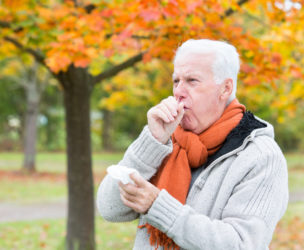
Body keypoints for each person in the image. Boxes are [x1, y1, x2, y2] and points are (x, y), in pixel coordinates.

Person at [97, 39, 289, 250]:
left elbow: (242, 244)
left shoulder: (261, 156)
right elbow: (110, 208)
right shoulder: (166, 140)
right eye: (176, 81)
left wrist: (158, 207)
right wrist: (151, 141)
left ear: (225, 89)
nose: (179, 91)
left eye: (192, 80)